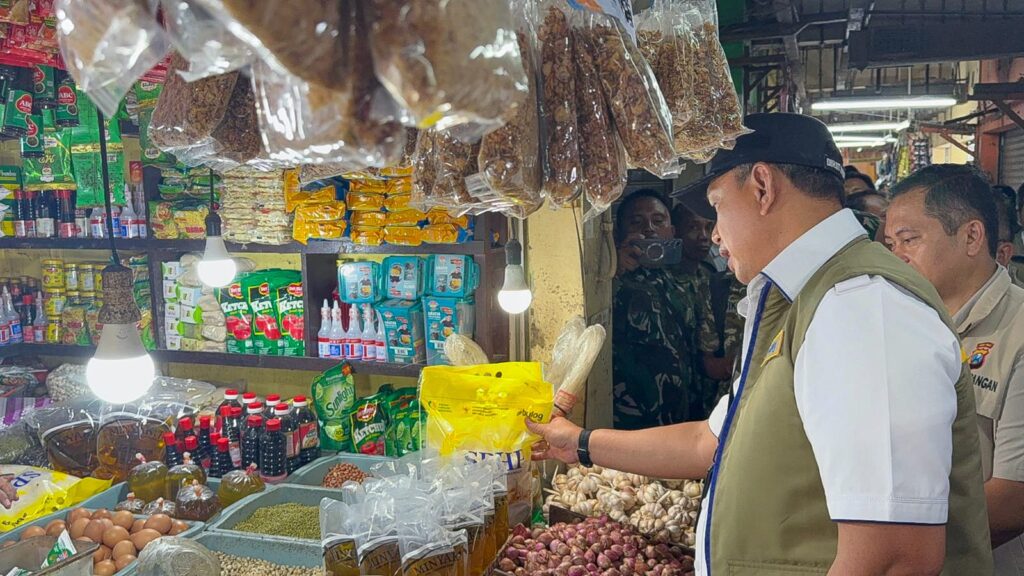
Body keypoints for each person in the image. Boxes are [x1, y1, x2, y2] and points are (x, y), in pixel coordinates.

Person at [528, 113, 991, 575]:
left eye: (717, 206)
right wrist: (579, 443)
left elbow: (895, 556)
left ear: (763, 187)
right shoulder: (797, 301)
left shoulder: (861, 308)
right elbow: (708, 441)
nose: (713, 232)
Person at [885, 165, 1024, 574]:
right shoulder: (903, 323)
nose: (897, 256)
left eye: (909, 240)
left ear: (971, 237)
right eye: (891, 244)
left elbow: (1014, 498)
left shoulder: (1017, 332)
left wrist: (895, 548)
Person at [613, 189, 714, 428]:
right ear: (620, 232)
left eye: (658, 221)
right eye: (636, 222)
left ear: (672, 231)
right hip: (633, 416)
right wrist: (614, 269)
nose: (649, 229)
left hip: (683, 413)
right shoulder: (612, 280)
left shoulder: (690, 280)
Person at [672, 198, 743, 411]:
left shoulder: (709, 274)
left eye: (708, 226)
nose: (706, 236)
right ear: (674, 232)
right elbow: (710, 364)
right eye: (693, 227)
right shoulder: (717, 285)